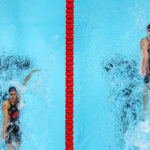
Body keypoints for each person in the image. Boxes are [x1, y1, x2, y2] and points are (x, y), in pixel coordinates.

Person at [2, 69, 40, 150]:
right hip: (9, 126)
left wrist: (31, 73)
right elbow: (5, 120)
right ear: (9, 94)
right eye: (11, 94)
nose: (13, 96)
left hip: (17, 125)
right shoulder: (6, 104)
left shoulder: (18, 99)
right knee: (10, 147)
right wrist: (3, 135)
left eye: (14, 94)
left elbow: (24, 83)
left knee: (18, 145)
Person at [141, 24, 150, 118]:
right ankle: (144, 113)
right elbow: (145, 56)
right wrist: (143, 69)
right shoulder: (144, 41)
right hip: (147, 69)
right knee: (145, 91)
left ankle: (144, 113)